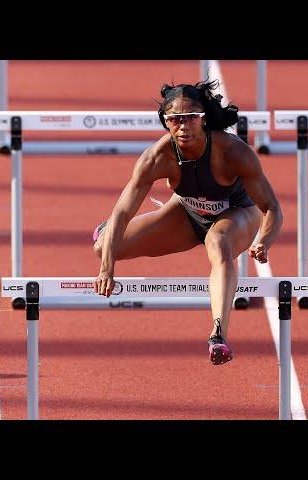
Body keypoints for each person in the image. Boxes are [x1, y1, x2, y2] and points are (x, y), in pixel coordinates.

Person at [93, 79, 282, 365]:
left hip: (237, 214)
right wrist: (106, 269)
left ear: (204, 119)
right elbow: (122, 211)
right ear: (166, 123)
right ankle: (105, 234)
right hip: (188, 214)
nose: (184, 126)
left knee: (217, 243)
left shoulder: (233, 151)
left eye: (191, 117)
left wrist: (264, 240)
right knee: (104, 247)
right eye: (175, 119)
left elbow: (271, 207)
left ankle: (218, 335)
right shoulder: (156, 157)